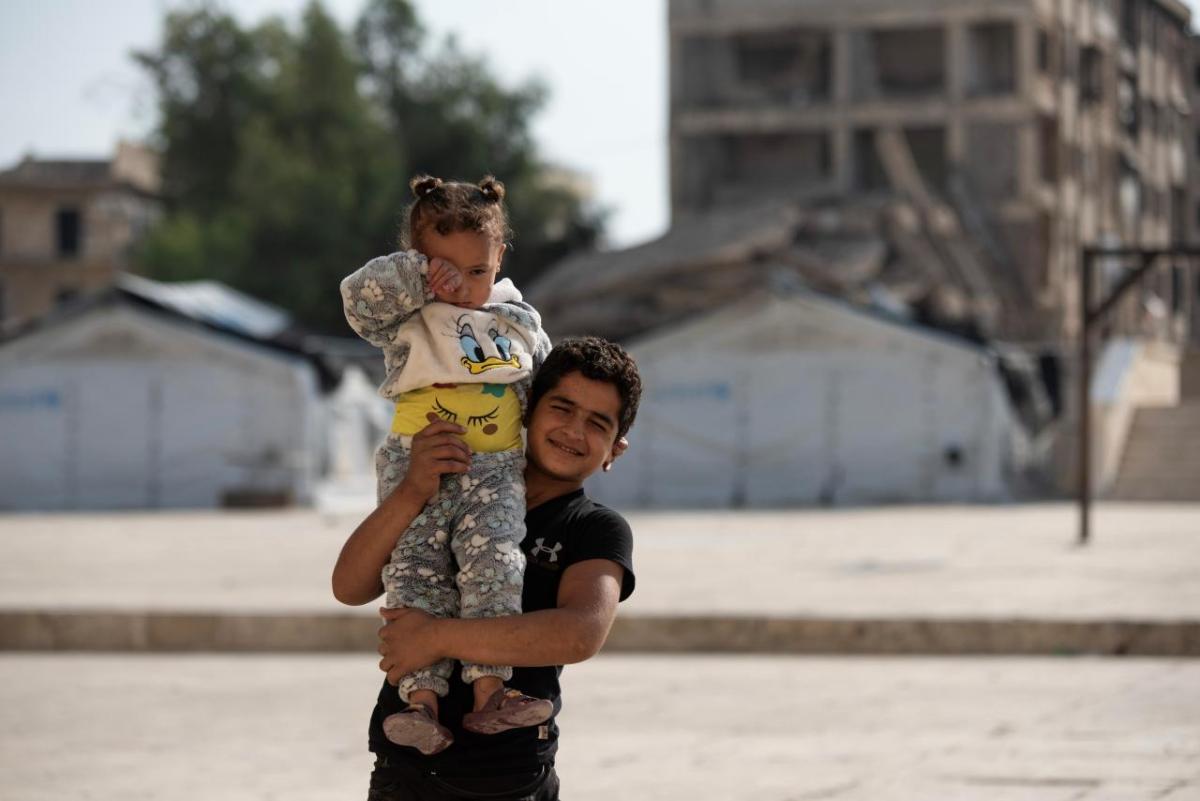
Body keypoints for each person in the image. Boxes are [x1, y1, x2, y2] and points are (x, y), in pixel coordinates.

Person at [332, 336, 642, 801]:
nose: (574, 431)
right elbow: (350, 586)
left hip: (502, 779)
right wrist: (413, 490)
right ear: (527, 409)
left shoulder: (595, 529)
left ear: (614, 451)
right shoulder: (451, 488)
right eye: (561, 408)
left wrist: (433, 636)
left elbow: (579, 633)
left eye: (596, 423)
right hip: (400, 769)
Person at [339, 174, 554, 755]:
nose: (463, 288)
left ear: (500, 257)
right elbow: (357, 299)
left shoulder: (519, 321)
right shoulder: (408, 313)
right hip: (416, 468)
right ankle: (419, 704)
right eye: (447, 271)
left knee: (496, 565)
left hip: (494, 472)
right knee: (415, 573)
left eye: (478, 272)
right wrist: (416, 276)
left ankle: (490, 696)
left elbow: (550, 387)